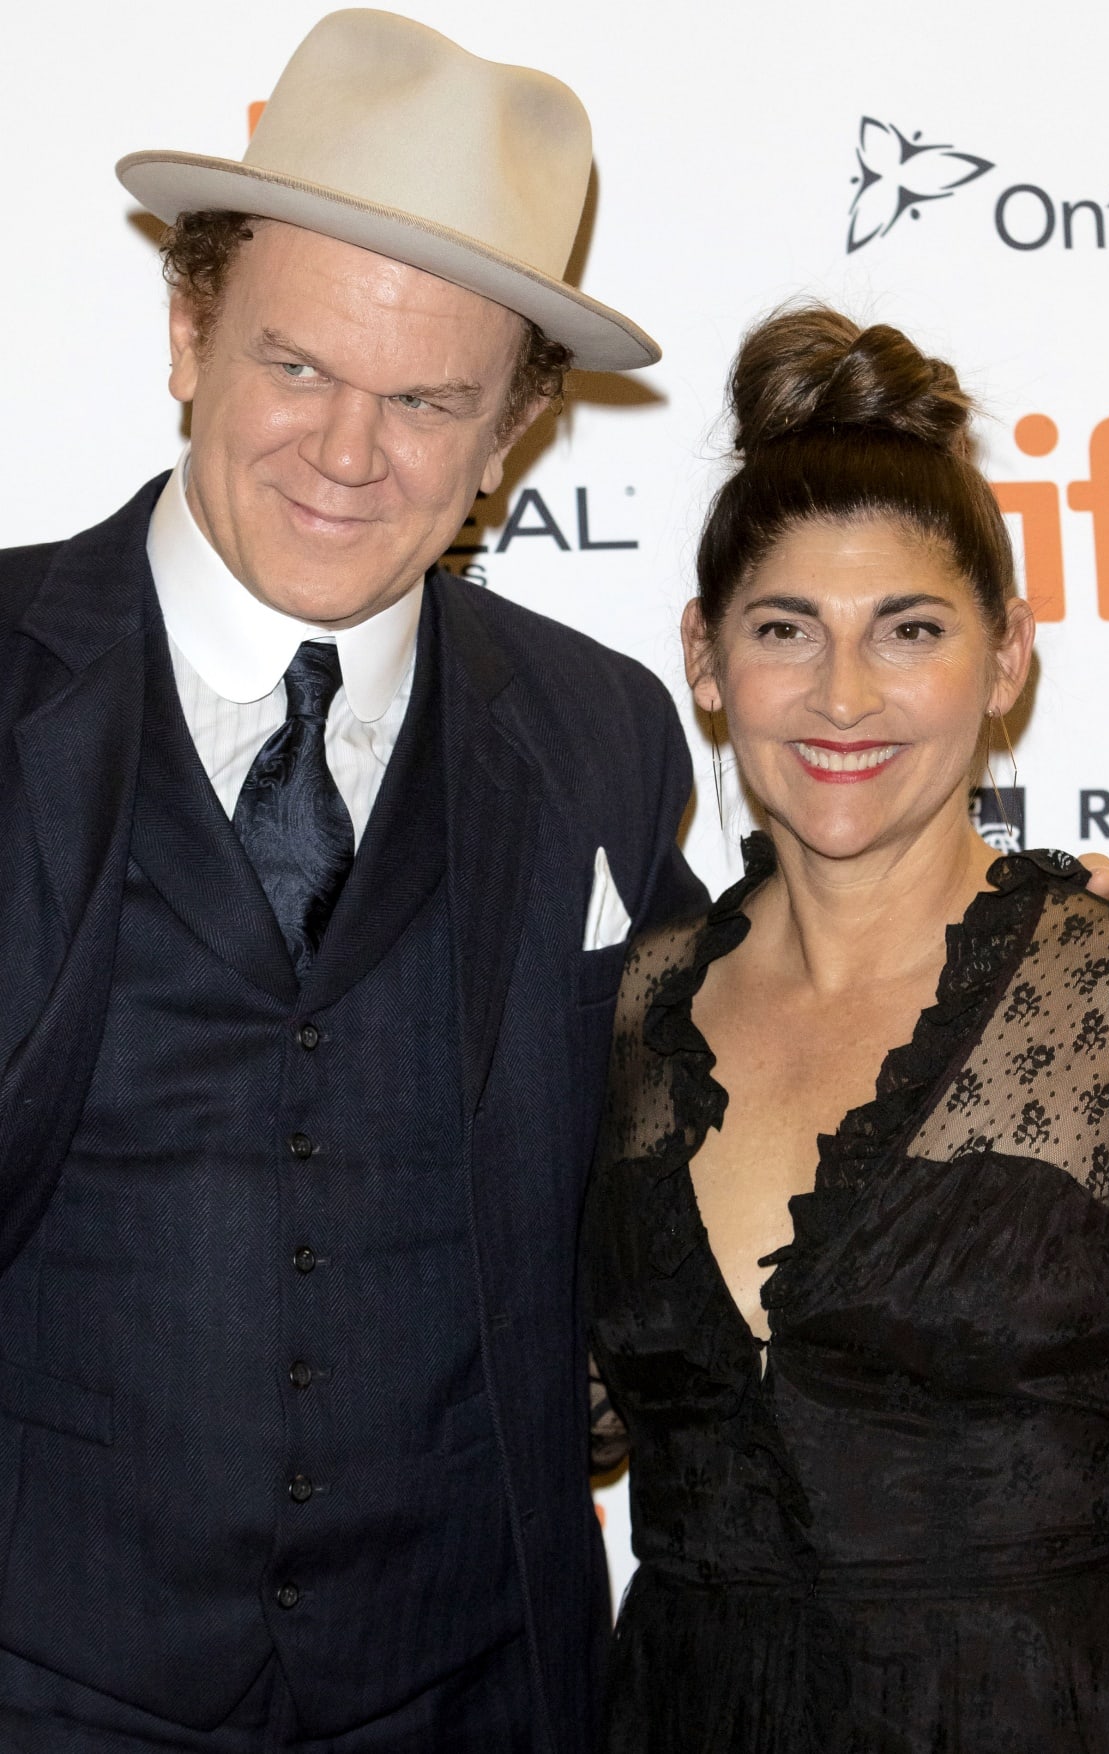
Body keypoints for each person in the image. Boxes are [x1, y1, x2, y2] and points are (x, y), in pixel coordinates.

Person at [0, 12, 706, 1752]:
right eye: (298, 365)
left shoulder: (600, 734)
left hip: (469, 1682)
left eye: (427, 400)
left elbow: (725, 1068)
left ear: (515, 431)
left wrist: (1010, 947)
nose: (346, 451)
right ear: (188, 329)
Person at [584, 306, 1109, 1753]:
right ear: (707, 656)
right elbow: (572, 1412)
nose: (843, 695)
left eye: (908, 630)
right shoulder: (634, 1006)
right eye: (786, 629)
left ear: (1007, 658)